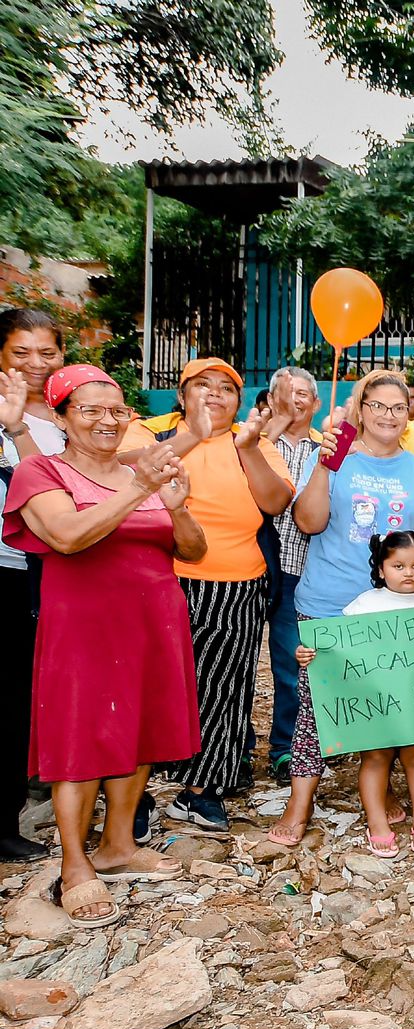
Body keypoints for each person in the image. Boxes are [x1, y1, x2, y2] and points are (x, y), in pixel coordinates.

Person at [3, 365, 201, 924]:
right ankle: (74, 864)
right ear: (62, 416)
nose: (107, 421)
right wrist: (140, 489)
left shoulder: (143, 471)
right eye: (90, 410)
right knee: (80, 742)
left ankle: (117, 845)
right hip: (84, 623)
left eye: (116, 410)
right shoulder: (41, 472)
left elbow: (193, 551)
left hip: (153, 618)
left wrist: (179, 507)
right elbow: (67, 537)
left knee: (138, 731)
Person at [266, 370, 414, 847]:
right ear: (360, 409)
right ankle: (299, 804)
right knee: (315, 710)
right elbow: (308, 522)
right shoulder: (332, 457)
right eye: (378, 406)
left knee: (389, 705)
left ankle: (381, 789)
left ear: (408, 414)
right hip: (330, 603)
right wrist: (325, 467)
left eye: (398, 407)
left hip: (399, 611)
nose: (388, 416)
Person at [122, 357, 294, 830]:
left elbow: (275, 502)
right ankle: (128, 798)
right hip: (158, 582)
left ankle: (200, 791)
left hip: (238, 584)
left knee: (223, 688)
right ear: (181, 396)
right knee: (148, 685)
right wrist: (193, 433)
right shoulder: (149, 434)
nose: (215, 394)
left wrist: (249, 448)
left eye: (226, 388)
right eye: (203, 385)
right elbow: (122, 472)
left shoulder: (253, 442)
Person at [295, 531, 414, 856]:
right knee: (375, 759)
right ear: (380, 569)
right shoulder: (363, 605)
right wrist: (308, 655)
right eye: (398, 565)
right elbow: (337, 651)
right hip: (375, 707)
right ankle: (377, 823)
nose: (409, 573)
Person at [0, 309, 68, 860]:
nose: (35, 364)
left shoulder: (60, 420)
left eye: (47, 353)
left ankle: (12, 812)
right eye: (22, 352)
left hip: (38, 571)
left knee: (20, 690)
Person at [261, 367, 323, 784]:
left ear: (316, 405)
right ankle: (230, 743)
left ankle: (285, 747)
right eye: (286, 392)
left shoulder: (326, 451)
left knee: (290, 662)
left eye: (303, 394)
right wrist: (271, 426)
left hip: (299, 570)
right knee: (233, 663)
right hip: (249, 566)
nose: (295, 399)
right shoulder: (252, 442)